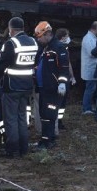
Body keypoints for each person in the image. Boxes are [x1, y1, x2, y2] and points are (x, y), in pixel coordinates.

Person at [0, 17, 37, 158]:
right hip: (27, 86)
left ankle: (13, 150)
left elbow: (2, 65)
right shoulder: (33, 42)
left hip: (12, 87)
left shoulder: (11, 43)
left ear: (11, 29)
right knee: (22, 118)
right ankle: (24, 148)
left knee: (11, 119)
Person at [33, 21, 69, 149]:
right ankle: (47, 139)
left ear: (47, 34)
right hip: (44, 88)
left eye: (40, 37)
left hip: (53, 88)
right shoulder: (45, 47)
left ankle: (47, 141)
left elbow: (64, 68)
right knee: (44, 114)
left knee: (49, 115)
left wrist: (62, 83)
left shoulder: (58, 47)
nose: (39, 39)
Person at [55, 28, 75, 130]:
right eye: (67, 35)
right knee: (59, 101)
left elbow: (68, 63)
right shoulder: (58, 48)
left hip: (65, 78)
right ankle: (56, 122)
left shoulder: (64, 48)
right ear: (63, 37)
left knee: (62, 102)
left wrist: (72, 76)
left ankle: (59, 121)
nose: (68, 37)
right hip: (60, 78)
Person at [81, 21, 97, 115]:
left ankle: (88, 107)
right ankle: (86, 108)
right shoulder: (88, 38)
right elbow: (92, 53)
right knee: (90, 89)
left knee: (91, 88)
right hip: (90, 68)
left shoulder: (91, 38)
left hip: (92, 67)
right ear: (96, 28)